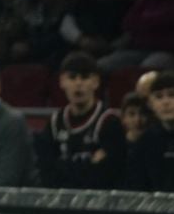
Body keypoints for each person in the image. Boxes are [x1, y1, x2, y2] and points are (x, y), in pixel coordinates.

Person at [36, 52, 124, 188]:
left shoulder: (110, 122)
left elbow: (107, 175)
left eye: (84, 77)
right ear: (62, 82)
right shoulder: (55, 123)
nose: (78, 83)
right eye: (72, 77)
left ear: (96, 82)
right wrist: (89, 164)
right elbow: (47, 172)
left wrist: (63, 165)